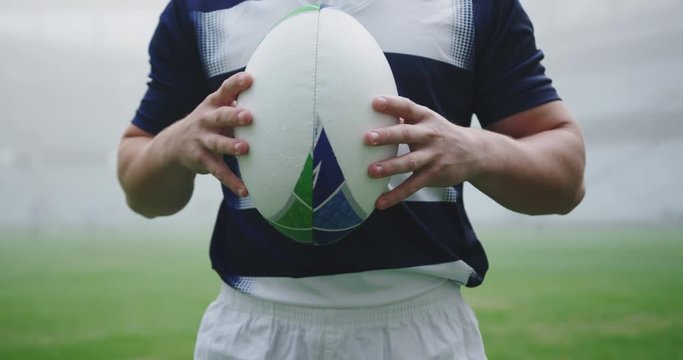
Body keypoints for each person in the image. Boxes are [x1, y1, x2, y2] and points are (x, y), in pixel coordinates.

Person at [117, 0, 585, 359]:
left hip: (419, 334)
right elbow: (139, 185)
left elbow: (566, 176)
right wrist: (173, 145)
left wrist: (478, 149)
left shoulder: (470, 6)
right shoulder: (202, 9)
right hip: (252, 334)